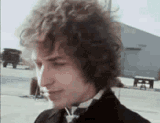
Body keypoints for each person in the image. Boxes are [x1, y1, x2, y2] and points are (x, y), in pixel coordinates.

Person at [17, 0, 151, 122]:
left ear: (94, 62)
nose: (42, 81)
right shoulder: (43, 119)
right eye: (39, 64)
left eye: (58, 64)